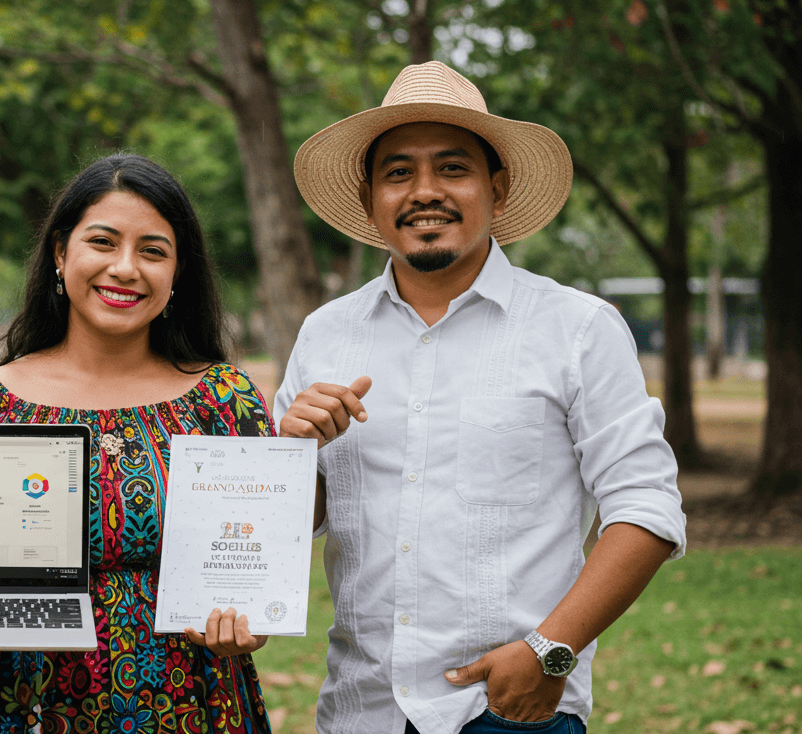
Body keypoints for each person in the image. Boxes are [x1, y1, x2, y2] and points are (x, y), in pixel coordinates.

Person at [274, 60, 687, 734]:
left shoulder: (576, 328)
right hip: (360, 708)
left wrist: (550, 653)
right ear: (371, 196)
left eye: (453, 168)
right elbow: (293, 524)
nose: (425, 191)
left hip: (510, 708)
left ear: (497, 189)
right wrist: (292, 455)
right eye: (399, 172)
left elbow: (646, 506)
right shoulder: (327, 334)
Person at [0, 154, 276, 734]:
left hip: (192, 707)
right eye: (102, 242)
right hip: (19, 705)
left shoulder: (223, 399)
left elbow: (261, 559)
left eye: (153, 251)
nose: (125, 268)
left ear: (179, 273)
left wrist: (251, 620)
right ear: (61, 253)